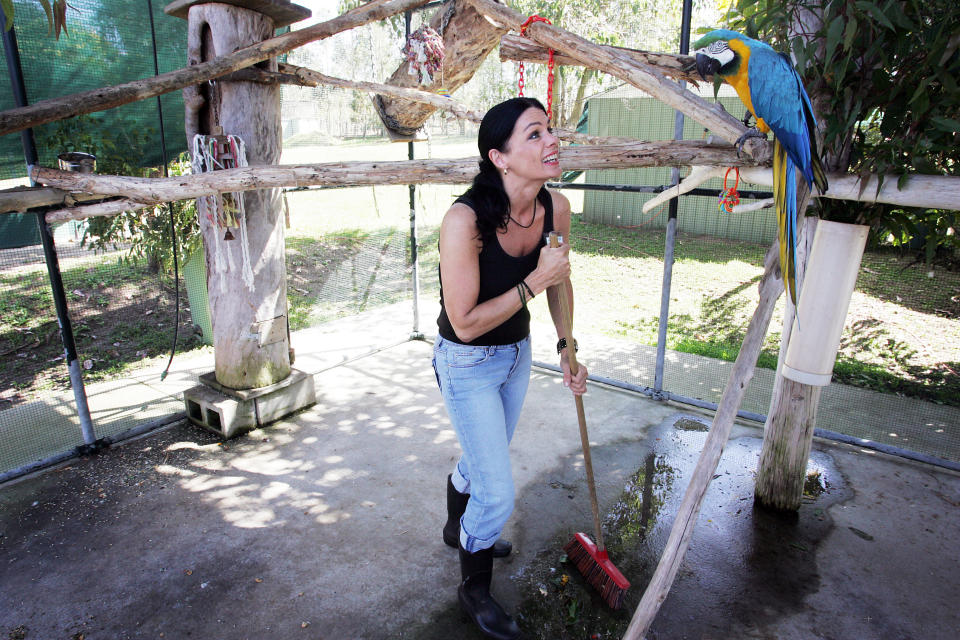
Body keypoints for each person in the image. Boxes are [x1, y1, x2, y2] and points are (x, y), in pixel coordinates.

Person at [432, 97, 588, 640]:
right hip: (467, 362)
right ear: (499, 157)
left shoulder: (557, 207)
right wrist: (533, 282)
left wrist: (567, 346)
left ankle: (460, 525)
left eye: (550, 130)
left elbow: (560, 278)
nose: (552, 141)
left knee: (483, 459)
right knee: (497, 492)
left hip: (517, 357)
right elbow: (466, 322)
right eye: (534, 134)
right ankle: (474, 590)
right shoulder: (464, 220)